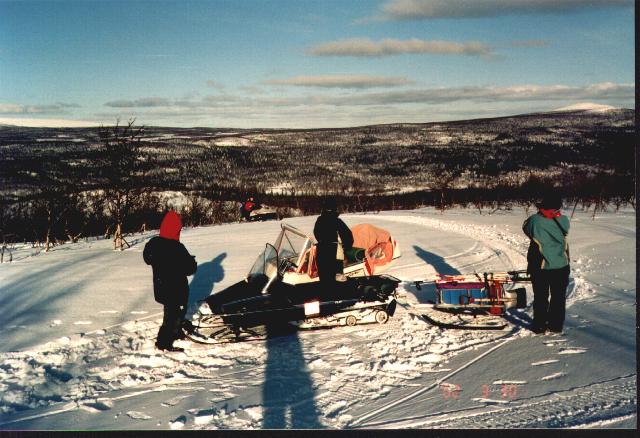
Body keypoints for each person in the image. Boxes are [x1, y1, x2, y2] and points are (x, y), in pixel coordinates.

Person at [143, 211, 197, 352]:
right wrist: (192, 261)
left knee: (172, 313)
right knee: (173, 316)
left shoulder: (154, 243)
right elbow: (190, 269)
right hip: (176, 289)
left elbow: (147, 258)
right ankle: (163, 343)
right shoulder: (177, 248)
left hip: (161, 287)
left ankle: (176, 332)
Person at [522, 192, 570, 334]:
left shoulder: (535, 221)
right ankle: (556, 326)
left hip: (540, 266)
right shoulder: (564, 220)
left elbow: (526, 228)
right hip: (561, 265)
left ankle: (539, 326)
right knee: (559, 298)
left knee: (541, 297)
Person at [313, 198, 354, 289]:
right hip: (334, 251)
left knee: (324, 277)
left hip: (321, 250)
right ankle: (337, 298)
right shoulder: (337, 221)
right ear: (334, 208)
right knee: (337, 278)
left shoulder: (319, 220)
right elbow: (348, 236)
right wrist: (346, 247)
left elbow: (316, 233)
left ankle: (326, 296)